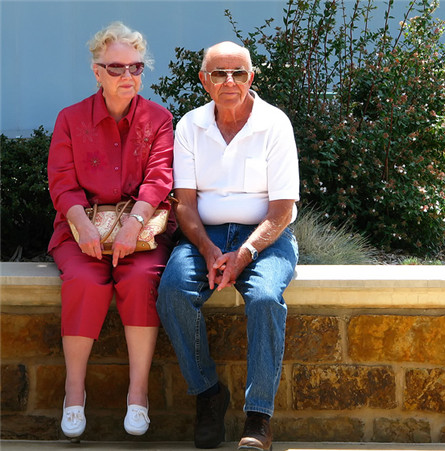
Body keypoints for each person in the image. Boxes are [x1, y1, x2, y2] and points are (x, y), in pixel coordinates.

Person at [156, 41, 299, 450]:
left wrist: (245, 254)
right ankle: (208, 395)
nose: (229, 81)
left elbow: (282, 210)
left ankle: (258, 418)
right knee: (172, 293)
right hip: (207, 235)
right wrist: (206, 249)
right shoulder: (190, 126)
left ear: (251, 77)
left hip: (266, 237)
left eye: (238, 72)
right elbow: (183, 204)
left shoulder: (275, 124)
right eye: (219, 73)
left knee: (267, 299)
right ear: (205, 81)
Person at [47, 22, 175, 440]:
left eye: (135, 68)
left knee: (140, 281)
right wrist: (83, 225)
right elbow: (62, 183)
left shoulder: (159, 119)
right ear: (97, 71)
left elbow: (159, 179)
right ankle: (73, 390)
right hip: (80, 229)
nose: (127, 77)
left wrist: (133, 224)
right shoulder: (70, 119)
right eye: (116, 68)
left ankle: (138, 394)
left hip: (140, 231)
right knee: (84, 281)